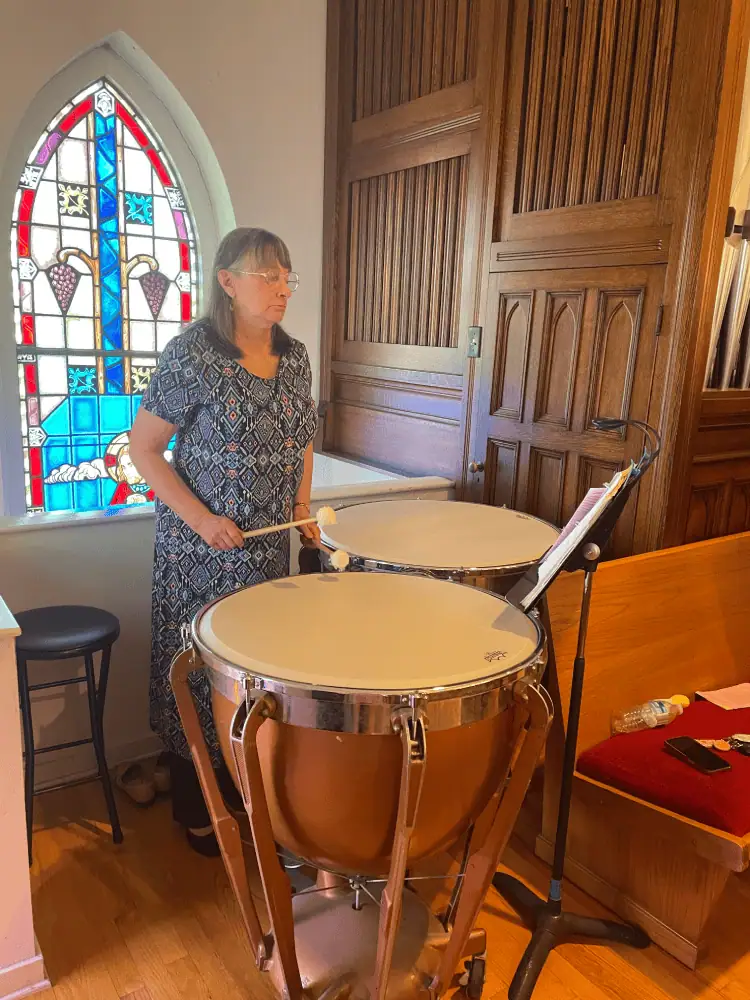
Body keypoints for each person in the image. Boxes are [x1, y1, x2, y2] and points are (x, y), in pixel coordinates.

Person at [129, 227, 318, 855]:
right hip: (201, 555)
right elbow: (145, 451)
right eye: (268, 276)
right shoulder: (191, 355)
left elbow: (303, 439)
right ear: (227, 282)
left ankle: (251, 796)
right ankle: (198, 807)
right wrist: (203, 519)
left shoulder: (296, 358)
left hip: (268, 552)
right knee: (202, 674)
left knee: (258, 677)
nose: (282, 288)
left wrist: (299, 506)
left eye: (287, 276)